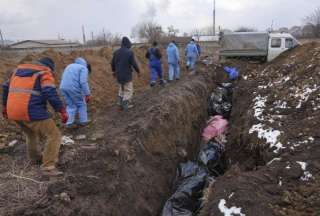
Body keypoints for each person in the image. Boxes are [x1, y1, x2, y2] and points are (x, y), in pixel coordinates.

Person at [2, 57, 68, 176]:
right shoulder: (44, 72)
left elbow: (6, 87)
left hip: (13, 110)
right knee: (54, 135)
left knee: (30, 134)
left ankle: (34, 158)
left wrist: (5, 107)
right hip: (29, 110)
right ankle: (48, 167)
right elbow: (49, 92)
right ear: (49, 67)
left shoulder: (17, 71)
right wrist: (61, 110)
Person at [60, 57, 91, 128]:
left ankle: (69, 123)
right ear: (85, 64)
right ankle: (84, 121)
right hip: (73, 87)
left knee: (71, 105)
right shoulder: (83, 68)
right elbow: (83, 82)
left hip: (63, 87)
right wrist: (87, 94)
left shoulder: (69, 66)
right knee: (81, 104)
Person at [111, 37, 140, 111]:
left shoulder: (116, 52)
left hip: (118, 74)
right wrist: (138, 71)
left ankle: (120, 103)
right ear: (128, 43)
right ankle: (125, 104)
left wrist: (113, 71)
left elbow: (112, 63)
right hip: (126, 74)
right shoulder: (129, 52)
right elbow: (134, 64)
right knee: (129, 90)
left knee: (121, 88)